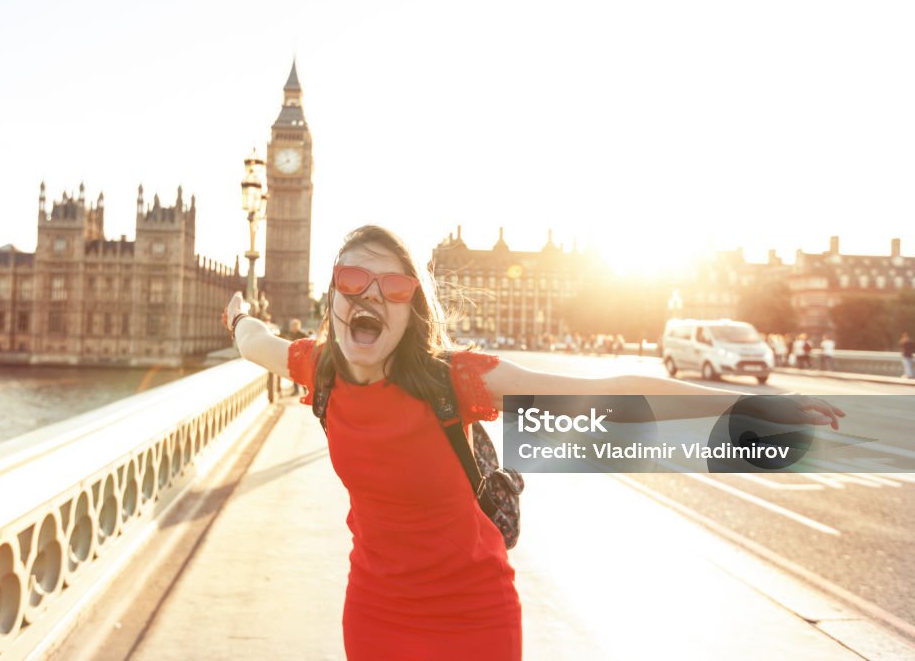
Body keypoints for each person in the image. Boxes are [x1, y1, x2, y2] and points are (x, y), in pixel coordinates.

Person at [220, 224, 844, 661]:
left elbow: (613, 393)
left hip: (474, 617)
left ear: (413, 309)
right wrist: (238, 316)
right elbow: (255, 344)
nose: (371, 294)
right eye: (353, 277)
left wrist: (755, 404)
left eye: (396, 286)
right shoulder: (317, 366)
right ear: (331, 292)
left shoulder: (455, 380)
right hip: (376, 612)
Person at [285, 318, 308, 395]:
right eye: (291, 325)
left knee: (303, 374)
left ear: (298, 326)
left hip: (302, 358)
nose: (292, 327)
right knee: (294, 374)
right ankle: (296, 390)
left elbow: (307, 345)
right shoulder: (289, 334)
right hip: (293, 358)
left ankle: (305, 389)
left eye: (294, 325)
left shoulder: (303, 334)